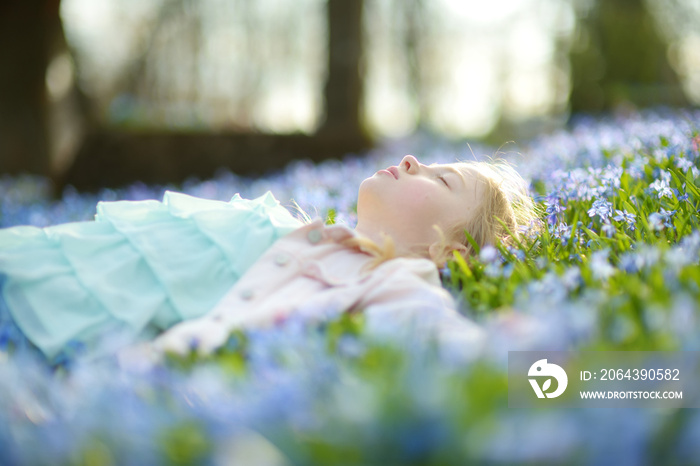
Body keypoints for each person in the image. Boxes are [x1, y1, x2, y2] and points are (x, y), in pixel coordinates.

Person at [0, 155, 538, 362]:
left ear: (452, 252)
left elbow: (454, 342)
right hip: (31, 260)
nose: (412, 159)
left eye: (441, 179)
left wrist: (603, 375)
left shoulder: (395, 277)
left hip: (42, 320)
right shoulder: (298, 230)